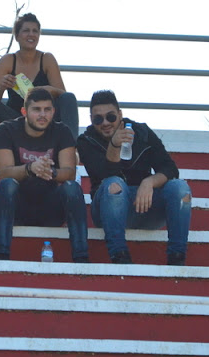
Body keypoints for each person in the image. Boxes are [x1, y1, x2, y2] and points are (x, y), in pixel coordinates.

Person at [77, 90, 192, 265]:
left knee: (180, 188)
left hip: (145, 203)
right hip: (108, 209)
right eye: (98, 119)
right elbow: (105, 176)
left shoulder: (142, 132)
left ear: (120, 114)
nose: (105, 123)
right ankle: (120, 257)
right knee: (114, 185)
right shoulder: (86, 141)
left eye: (110, 117)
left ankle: (177, 257)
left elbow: (170, 169)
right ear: (91, 119)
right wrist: (114, 145)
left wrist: (149, 182)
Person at [0, 88, 88, 262]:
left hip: (51, 206)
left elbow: (70, 173)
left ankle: (81, 257)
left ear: (53, 111)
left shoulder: (62, 131)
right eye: (37, 109)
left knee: (72, 187)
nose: (42, 115)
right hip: (18, 206)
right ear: (24, 111)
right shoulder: (6, 130)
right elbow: (5, 172)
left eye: (47, 109)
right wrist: (30, 168)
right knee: (6, 185)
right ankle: (2, 256)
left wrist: (50, 172)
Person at [0, 13, 79, 163]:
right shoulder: (8, 60)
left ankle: (72, 150)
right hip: (16, 119)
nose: (31, 34)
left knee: (69, 98)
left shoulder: (47, 58)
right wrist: (2, 87)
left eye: (35, 31)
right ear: (17, 36)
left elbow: (63, 95)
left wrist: (50, 90)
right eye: (26, 30)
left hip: (43, 117)